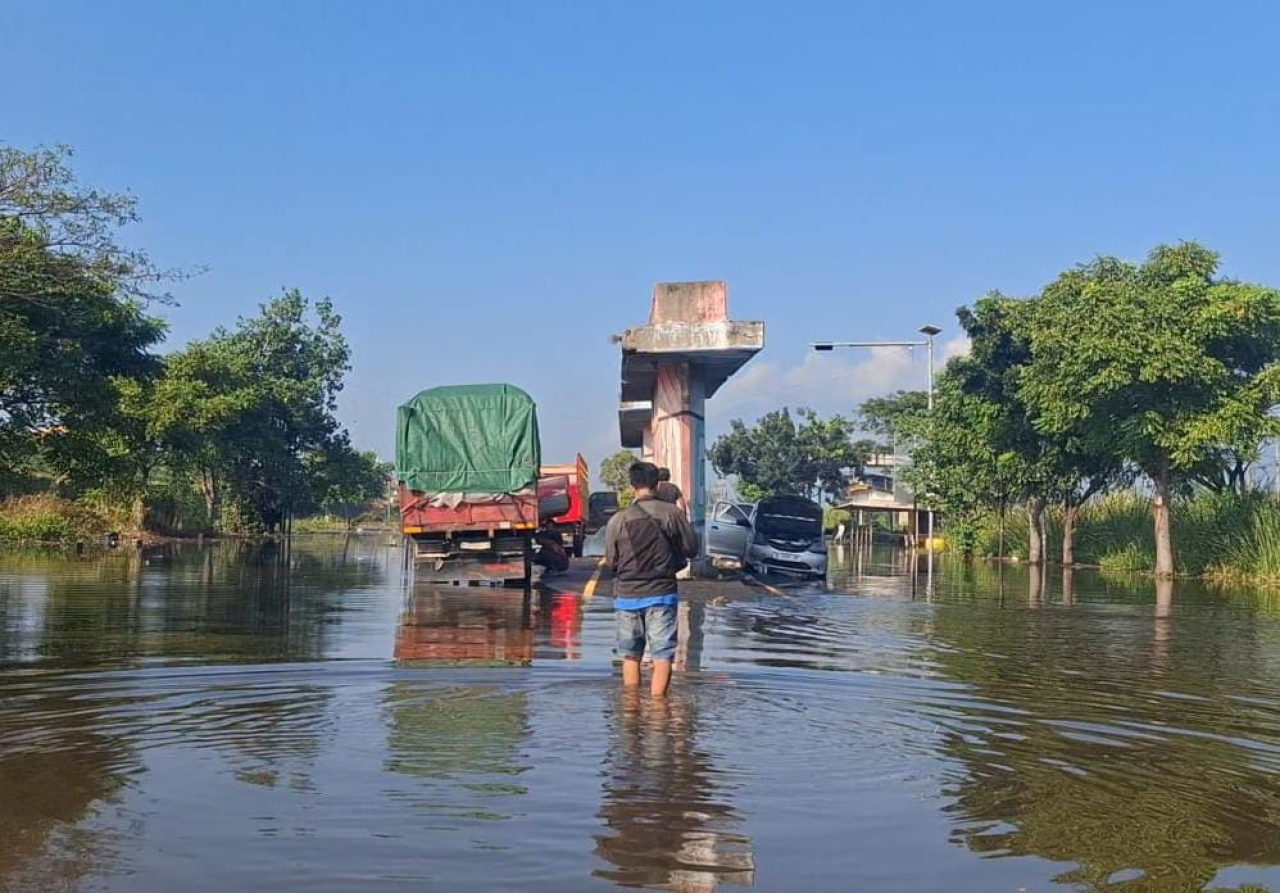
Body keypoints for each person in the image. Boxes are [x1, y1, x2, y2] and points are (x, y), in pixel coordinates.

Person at [604, 462, 699, 696]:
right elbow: (691, 549)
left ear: (631, 486)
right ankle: (658, 712)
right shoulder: (672, 514)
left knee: (630, 655)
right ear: (657, 484)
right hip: (662, 594)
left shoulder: (618, 520)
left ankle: (631, 708)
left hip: (627, 596)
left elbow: (610, 561)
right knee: (662, 655)